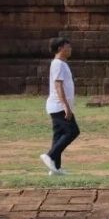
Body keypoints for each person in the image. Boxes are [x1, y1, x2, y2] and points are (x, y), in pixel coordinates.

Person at [41, 36, 77, 175]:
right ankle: (50, 156)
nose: (70, 49)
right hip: (58, 106)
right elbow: (58, 85)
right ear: (60, 48)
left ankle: (55, 168)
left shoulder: (62, 64)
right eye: (68, 46)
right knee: (73, 131)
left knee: (59, 135)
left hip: (58, 106)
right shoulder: (58, 64)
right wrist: (65, 106)